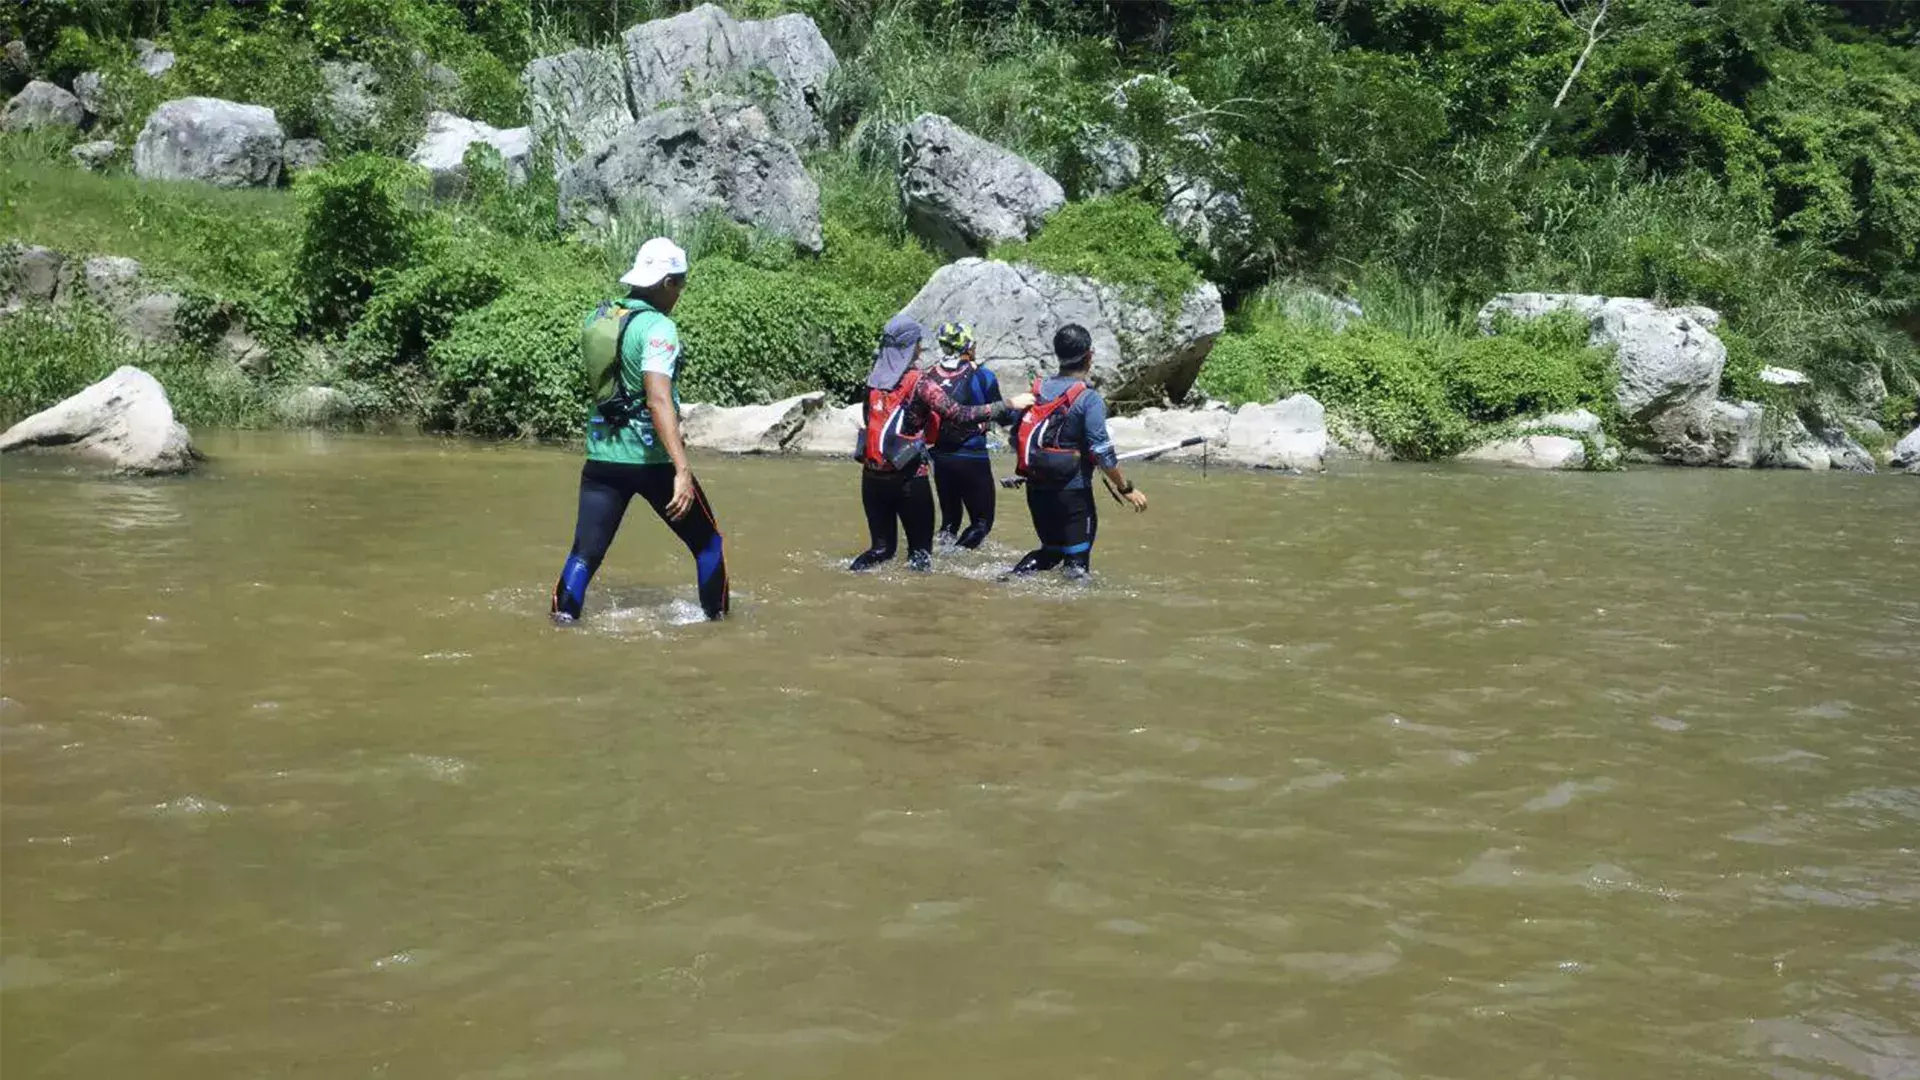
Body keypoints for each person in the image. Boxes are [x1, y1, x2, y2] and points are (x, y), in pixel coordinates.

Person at [551, 237, 728, 623]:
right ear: (666, 283)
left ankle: (560, 625)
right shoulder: (658, 327)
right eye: (680, 283)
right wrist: (682, 470)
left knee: (584, 554)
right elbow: (657, 399)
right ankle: (719, 627)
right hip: (651, 461)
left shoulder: (600, 317)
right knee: (708, 544)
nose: (680, 292)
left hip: (601, 456)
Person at [850, 314, 1032, 572]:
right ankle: (920, 607)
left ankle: (852, 576)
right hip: (909, 477)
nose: (921, 347)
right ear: (909, 347)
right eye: (918, 343)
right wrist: (1010, 404)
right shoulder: (919, 382)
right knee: (920, 556)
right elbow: (957, 413)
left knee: (881, 550)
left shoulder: (873, 381)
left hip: (872, 477)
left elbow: (871, 421)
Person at [1006, 323, 1147, 579]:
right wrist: (1126, 488)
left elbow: (1014, 438)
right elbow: (1103, 453)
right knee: (1077, 565)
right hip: (1072, 492)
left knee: (1050, 552)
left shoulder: (1036, 391)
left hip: (1036, 488)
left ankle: (1006, 581)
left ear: (1058, 356)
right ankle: (1075, 616)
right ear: (1089, 356)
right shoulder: (1089, 399)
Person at [923, 322, 1002, 549]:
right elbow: (1003, 414)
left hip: (940, 457)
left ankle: (940, 557)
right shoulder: (983, 376)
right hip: (972, 455)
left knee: (949, 522)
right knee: (981, 523)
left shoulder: (929, 375)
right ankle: (955, 559)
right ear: (968, 346)